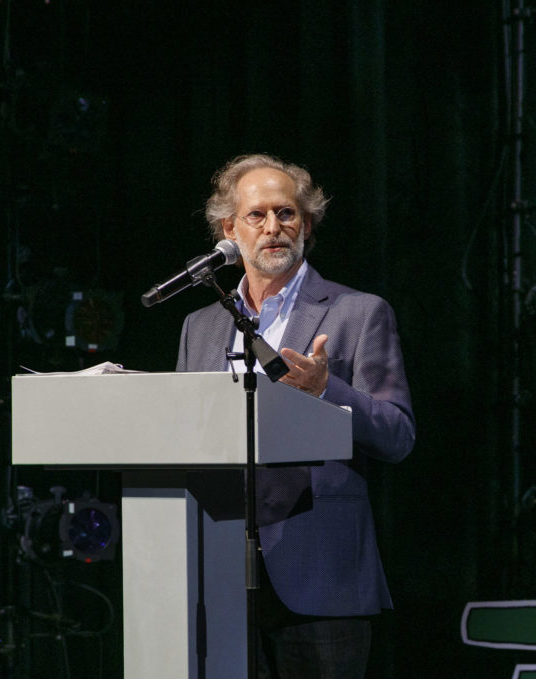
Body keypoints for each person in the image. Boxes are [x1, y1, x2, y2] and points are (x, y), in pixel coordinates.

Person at [175, 153, 415, 678]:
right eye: (256, 216)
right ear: (228, 231)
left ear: (306, 225)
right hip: (218, 573)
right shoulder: (200, 325)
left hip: (319, 574)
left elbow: (398, 435)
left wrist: (327, 388)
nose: (273, 228)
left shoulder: (358, 312)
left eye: (286, 214)